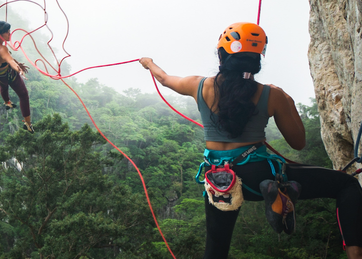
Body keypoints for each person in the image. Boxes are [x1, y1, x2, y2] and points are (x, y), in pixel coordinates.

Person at [139, 22, 362, 259]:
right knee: (345, 185)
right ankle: (353, 252)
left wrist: (149, 63)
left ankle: (274, 191)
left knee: (216, 249)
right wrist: (288, 101)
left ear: (222, 55)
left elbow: (164, 79)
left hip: (220, 178)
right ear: (257, 61)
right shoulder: (271, 94)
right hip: (259, 173)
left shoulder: (198, 85)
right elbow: (298, 142)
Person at [0, 21, 33, 133]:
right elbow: (10, 61)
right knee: (23, 95)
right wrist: (19, 70)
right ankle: (28, 123)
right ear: (1, 34)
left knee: (3, 86)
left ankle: (7, 102)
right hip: (7, 72)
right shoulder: (2, 49)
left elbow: (6, 58)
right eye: (7, 32)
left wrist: (17, 64)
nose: (10, 34)